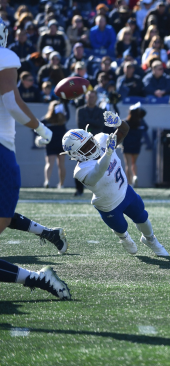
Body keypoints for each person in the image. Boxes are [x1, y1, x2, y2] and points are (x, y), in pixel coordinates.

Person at [0, 19, 71, 299]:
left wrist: (41, 128)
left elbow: (11, 103)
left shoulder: (4, 57)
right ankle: (39, 277)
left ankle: (39, 278)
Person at [61, 111, 168, 256]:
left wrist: (119, 122)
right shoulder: (80, 171)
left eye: (89, 141)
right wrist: (108, 154)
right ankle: (124, 238)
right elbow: (97, 174)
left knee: (142, 217)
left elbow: (124, 130)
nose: (91, 147)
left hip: (125, 191)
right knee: (121, 228)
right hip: (108, 205)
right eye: (85, 148)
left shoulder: (102, 140)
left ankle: (150, 240)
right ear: (75, 155)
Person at [75, 90, 107, 197]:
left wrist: (88, 121)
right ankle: (79, 190)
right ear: (86, 97)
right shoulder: (80, 110)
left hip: (97, 142)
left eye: (93, 97)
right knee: (81, 166)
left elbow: (100, 125)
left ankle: (102, 190)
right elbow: (80, 125)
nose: (91, 99)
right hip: (83, 143)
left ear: (96, 98)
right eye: (89, 96)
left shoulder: (101, 111)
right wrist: (93, 122)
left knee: (101, 166)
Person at [41, 101, 67, 189]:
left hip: (58, 144)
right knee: (56, 164)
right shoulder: (47, 120)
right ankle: (54, 183)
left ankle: (51, 182)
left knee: (53, 164)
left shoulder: (62, 119)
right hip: (53, 144)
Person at [123, 103, 148, 187]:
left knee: (128, 164)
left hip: (127, 145)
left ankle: (130, 182)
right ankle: (135, 176)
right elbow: (144, 113)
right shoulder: (140, 122)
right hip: (137, 145)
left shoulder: (126, 122)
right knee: (134, 163)